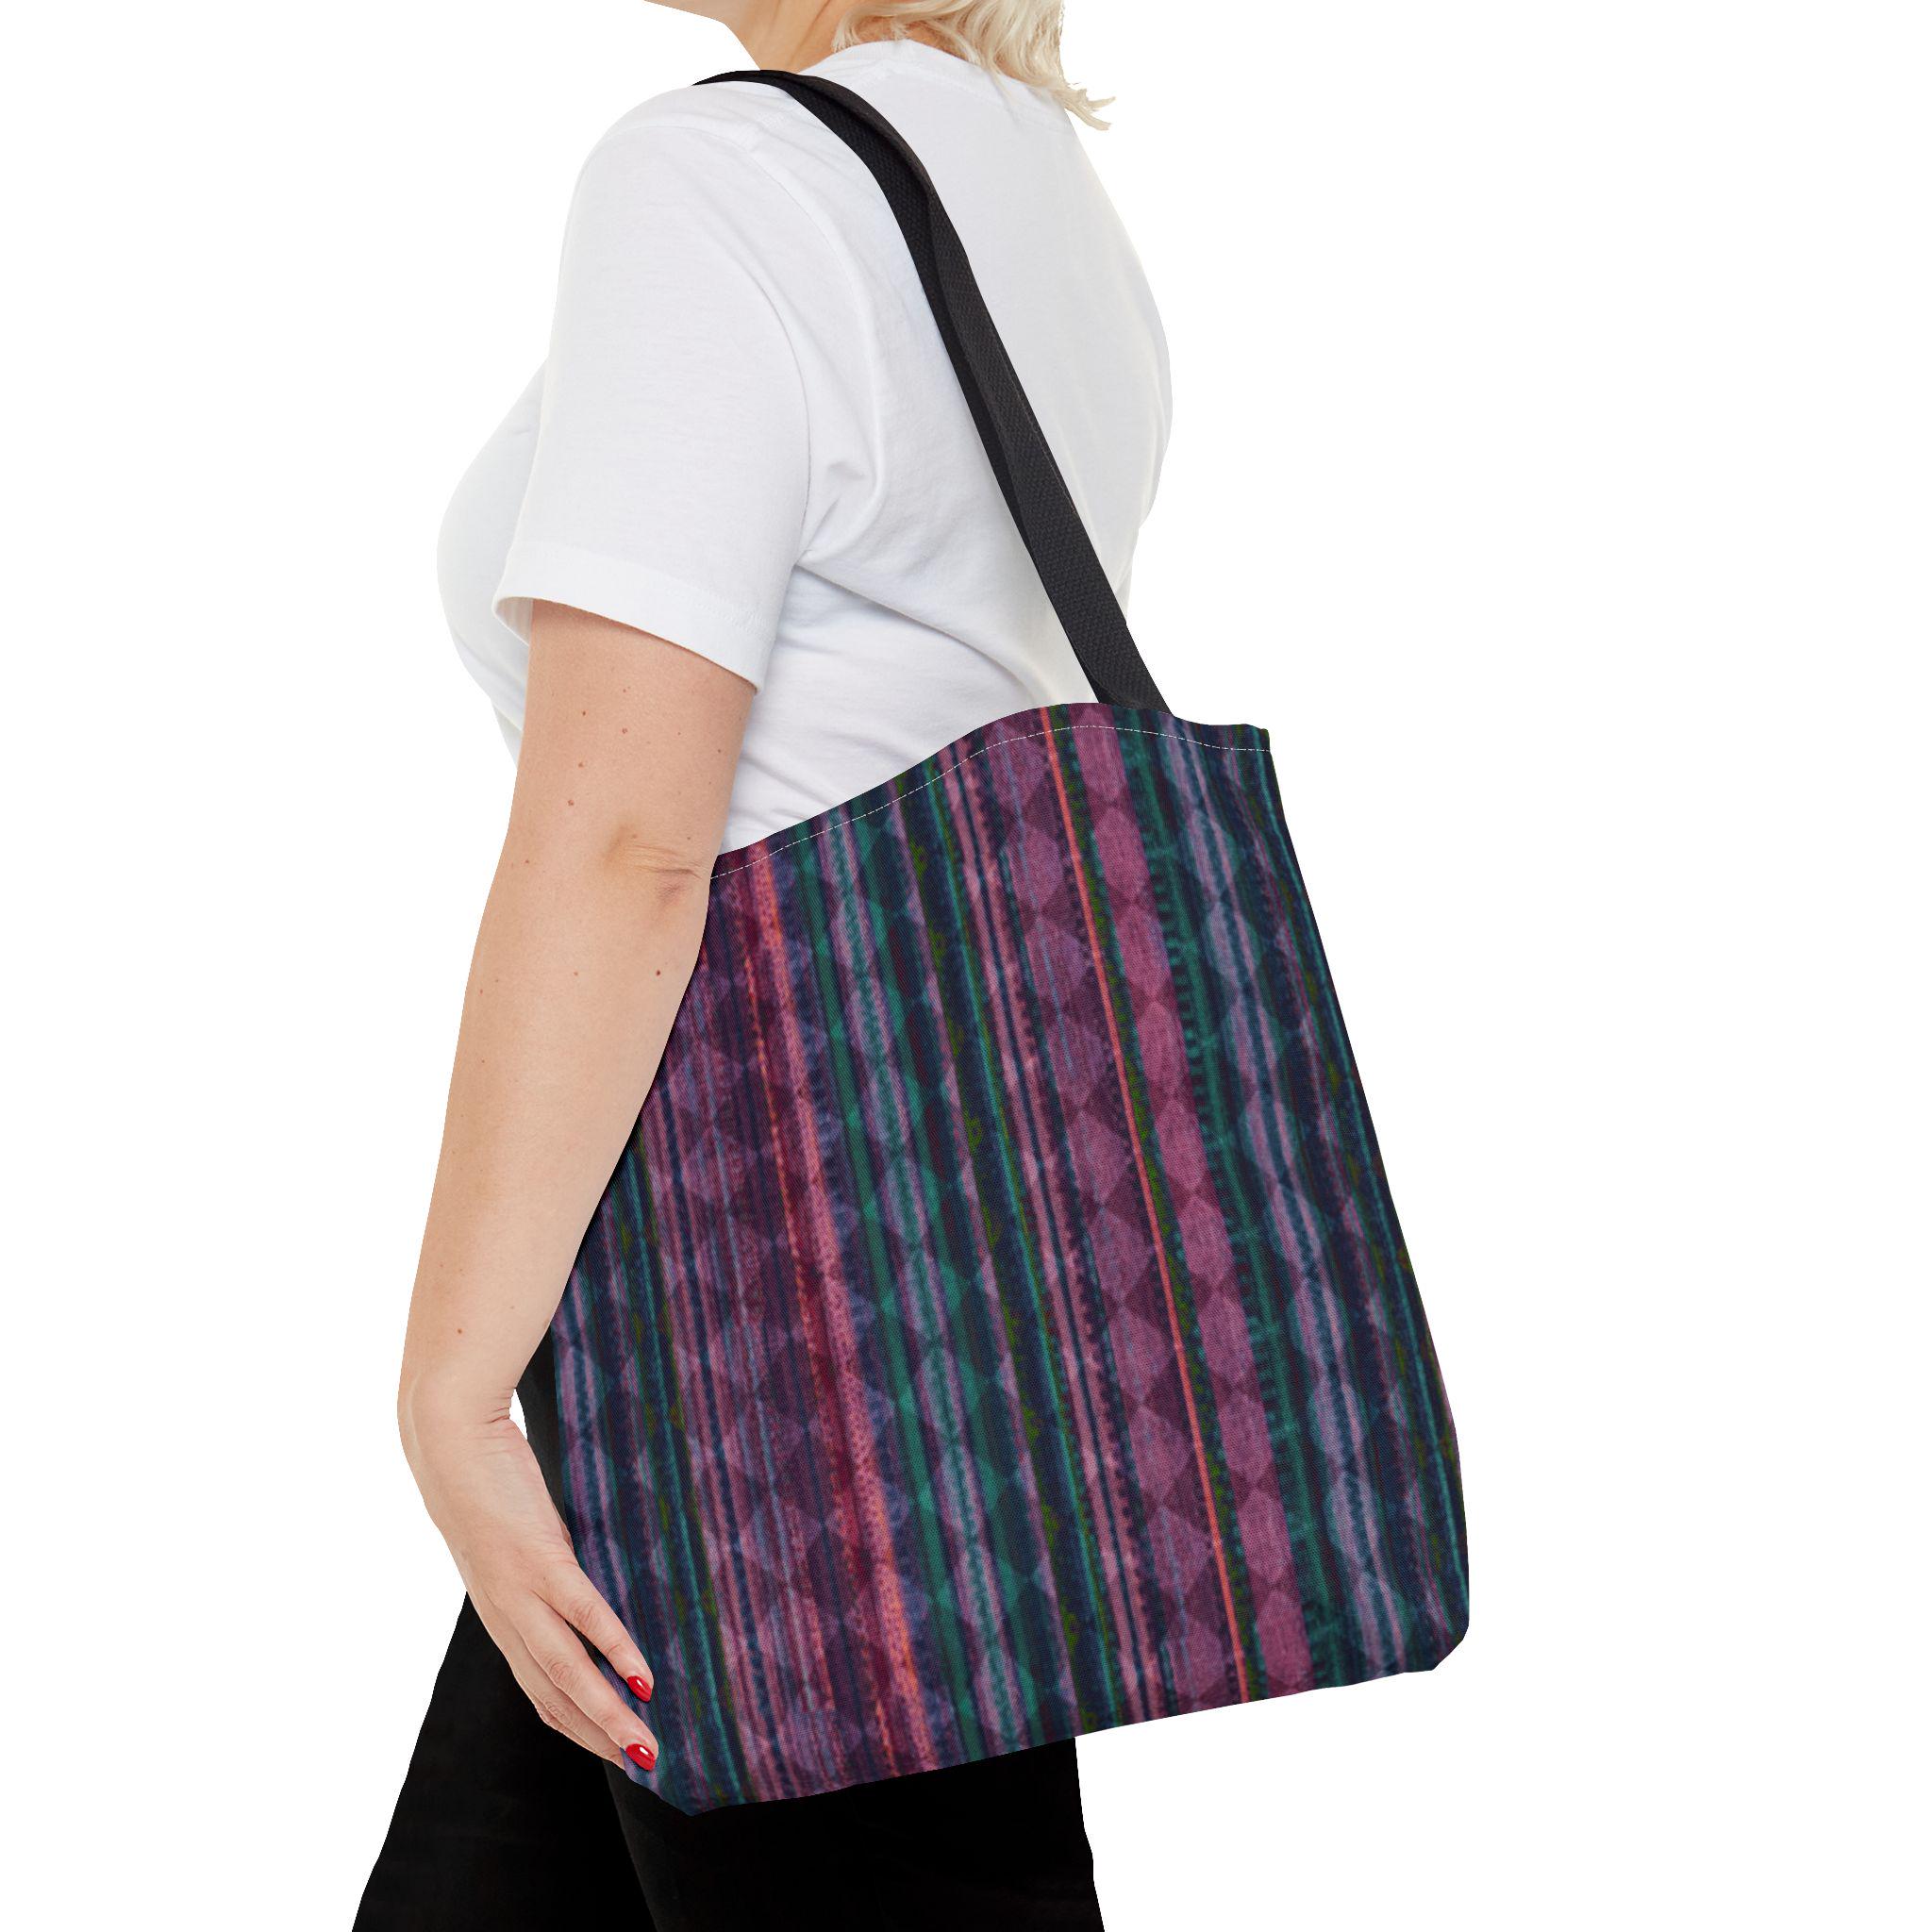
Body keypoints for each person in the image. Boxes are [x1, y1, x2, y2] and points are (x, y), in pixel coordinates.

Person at [357, 4, 1168, 1924]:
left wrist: (454, 1389)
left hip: (772, 1335)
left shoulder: (722, 177)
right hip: (930, 1291)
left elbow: (629, 843)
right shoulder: (1023, 176)